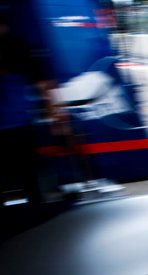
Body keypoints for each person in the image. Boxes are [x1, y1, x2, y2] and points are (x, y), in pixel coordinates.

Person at [0, 6, 67, 204]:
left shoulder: (18, 47)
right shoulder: (20, 46)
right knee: (30, 180)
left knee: (30, 180)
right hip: (18, 127)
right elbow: (44, 87)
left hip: (18, 127)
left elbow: (44, 87)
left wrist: (56, 119)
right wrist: (57, 119)